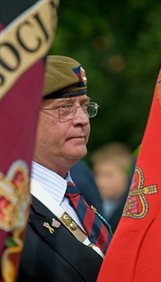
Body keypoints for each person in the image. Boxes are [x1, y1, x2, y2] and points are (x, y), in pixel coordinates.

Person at [17, 55, 112, 282]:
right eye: (64, 108)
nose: (82, 119)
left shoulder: (79, 193)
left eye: (84, 106)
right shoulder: (11, 209)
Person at [91, 142, 134, 232]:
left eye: (109, 175)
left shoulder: (133, 211)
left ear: (126, 175)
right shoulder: (92, 207)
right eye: (97, 174)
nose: (100, 182)